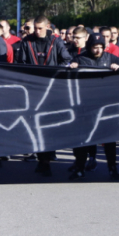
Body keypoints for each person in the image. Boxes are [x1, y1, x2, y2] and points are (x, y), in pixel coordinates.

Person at [12, 15, 71, 176]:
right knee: (36, 125)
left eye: (40, 28)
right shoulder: (27, 42)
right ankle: (42, 158)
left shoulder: (56, 42)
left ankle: (46, 158)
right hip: (33, 90)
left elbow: (66, 60)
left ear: (47, 27)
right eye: (35, 28)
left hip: (52, 90)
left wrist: (52, 72)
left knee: (49, 125)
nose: (37, 31)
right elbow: (20, 64)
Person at [68, 33, 119, 181]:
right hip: (86, 107)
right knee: (83, 140)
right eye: (95, 47)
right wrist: (71, 67)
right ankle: (80, 168)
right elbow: (66, 73)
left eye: (100, 47)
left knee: (110, 140)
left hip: (106, 107)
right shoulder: (80, 59)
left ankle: (112, 168)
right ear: (89, 47)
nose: (98, 50)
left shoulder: (110, 58)